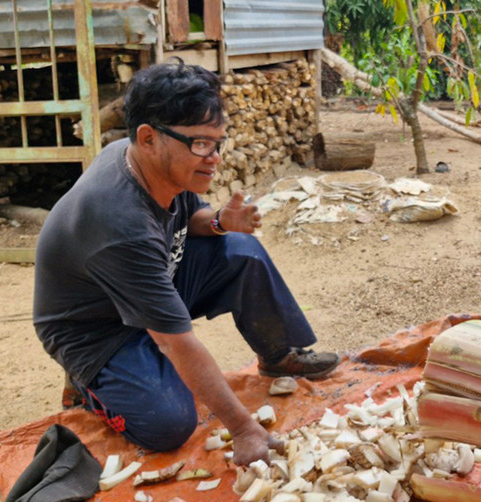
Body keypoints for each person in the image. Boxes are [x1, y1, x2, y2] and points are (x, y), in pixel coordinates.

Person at [33, 60, 339, 465]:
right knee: (169, 425)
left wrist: (219, 222)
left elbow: (185, 222)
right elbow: (175, 341)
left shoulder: (151, 165)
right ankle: (88, 386)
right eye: (199, 144)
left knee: (240, 250)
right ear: (148, 138)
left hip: (149, 280)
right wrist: (245, 429)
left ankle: (277, 354)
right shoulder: (119, 223)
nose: (212, 158)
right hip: (95, 330)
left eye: (217, 143)